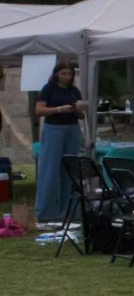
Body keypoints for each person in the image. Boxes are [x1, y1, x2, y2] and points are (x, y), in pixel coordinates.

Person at [34, 62, 84, 225]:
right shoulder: (48, 89)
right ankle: (45, 212)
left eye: (69, 74)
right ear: (57, 74)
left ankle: (69, 212)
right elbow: (39, 110)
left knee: (70, 169)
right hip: (53, 129)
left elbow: (82, 115)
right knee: (50, 169)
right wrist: (59, 109)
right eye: (64, 74)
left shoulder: (74, 91)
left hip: (72, 129)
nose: (67, 77)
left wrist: (78, 109)